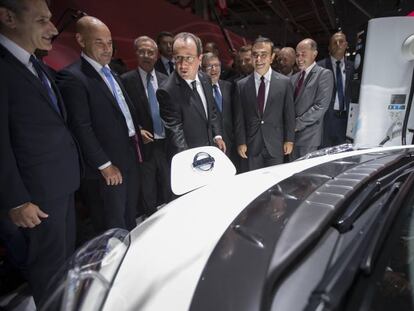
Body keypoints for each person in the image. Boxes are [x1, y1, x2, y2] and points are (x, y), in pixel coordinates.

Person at [0, 0, 80, 305]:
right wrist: (16, 200)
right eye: (42, 20)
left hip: (60, 185)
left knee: (63, 262)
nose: (54, 28)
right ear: (8, 17)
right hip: (34, 197)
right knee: (47, 268)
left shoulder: (36, 65)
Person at [56, 16, 143, 232]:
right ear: (81, 40)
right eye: (99, 42)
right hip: (107, 168)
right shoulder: (73, 78)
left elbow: (120, 114)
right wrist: (104, 165)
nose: (107, 48)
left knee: (129, 217)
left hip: (129, 157)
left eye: (110, 43)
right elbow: (81, 127)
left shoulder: (112, 72)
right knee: (112, 226)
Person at [121, 36, 171, 215]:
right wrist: (138, 129)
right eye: (142, 51)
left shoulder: (166, 79)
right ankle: (150, 223)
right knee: (147, 189)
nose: (146, 56)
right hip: (144, 144)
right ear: (136, 54)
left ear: (157, 56)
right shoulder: (126, 81)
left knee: (169, 185)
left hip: (166, 143)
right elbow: (123, 112)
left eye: (150, 52)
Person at [156, 32, 226, 156]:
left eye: (189, 58)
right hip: (190, 156)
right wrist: (189, 160)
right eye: (178, 58)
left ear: (200, 58)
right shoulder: (166, 91)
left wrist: (217, 135)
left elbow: (212, 110)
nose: (183, 65)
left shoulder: (205, 79)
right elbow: (175, 133)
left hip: (211, 150)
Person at [234, 37, 295, 170]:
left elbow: (289, 113)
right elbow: (239, 117)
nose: (259, 59)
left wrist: (289, 139)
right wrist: (241, 142)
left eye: (263, 55)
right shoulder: (241, 85)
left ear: (272, 57)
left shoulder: (284, 83)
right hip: (251, 145)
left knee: (275, 184)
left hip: (276, 144)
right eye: (255, 55)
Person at [291, 38, 334, 159]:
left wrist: (296, 124)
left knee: (304, 176)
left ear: (314, 54)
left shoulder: (324, 74)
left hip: (309, 138)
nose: (299, 59)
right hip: (291, 137)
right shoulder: (293, 78)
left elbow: (320, 107)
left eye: (303, 54)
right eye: (297, 55)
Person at [318, 32, 354, 147]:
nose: (338, 44)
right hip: (327, 120)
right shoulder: (319, 67)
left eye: (341, 41)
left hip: (348, 119)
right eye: (334, 42)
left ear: (346, 45)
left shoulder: (354, 67)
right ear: (329, 47)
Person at [201, 52, 236, 163]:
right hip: (210, 143)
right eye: (210, 66)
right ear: (202, 69)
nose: (214, 69)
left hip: (231, 142)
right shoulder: (199, 90)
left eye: (217, 65)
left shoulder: (229, 86)